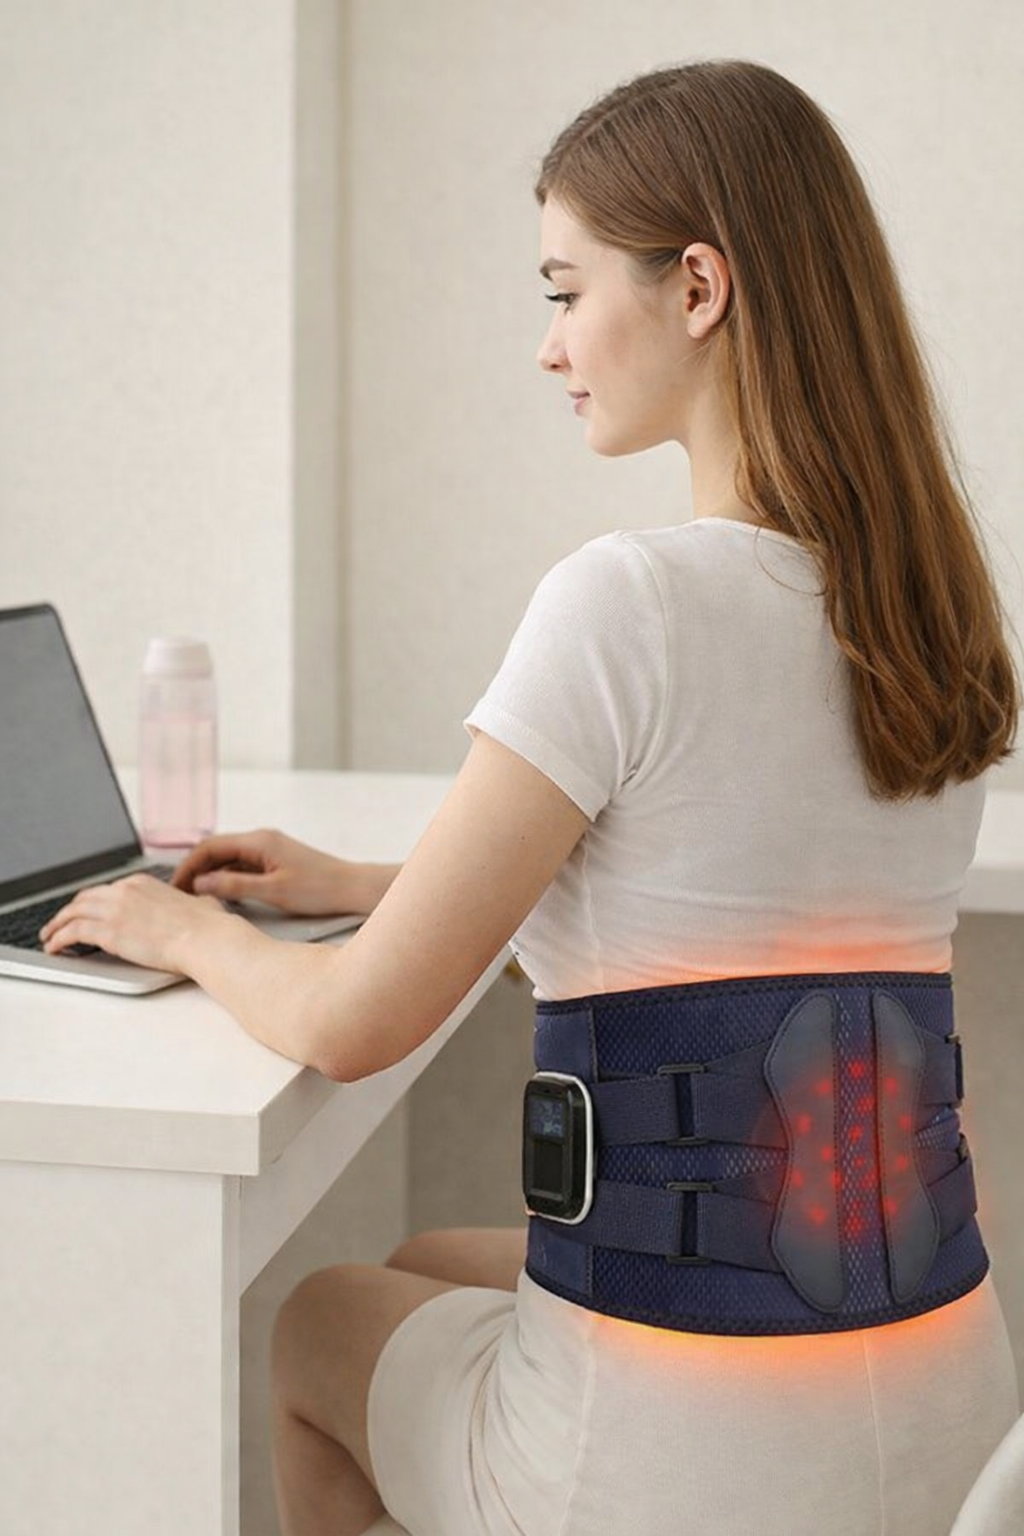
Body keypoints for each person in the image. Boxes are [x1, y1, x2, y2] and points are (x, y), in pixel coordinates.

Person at [39, 57, 1022, 1536]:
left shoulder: (630, 603)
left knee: (320, 1321)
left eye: (566, 291)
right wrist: (375, 887)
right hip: (943, 1412)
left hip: (687, 1466)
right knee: (429, 1263)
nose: (549, 344)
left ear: (699, 288)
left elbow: (351, 1025)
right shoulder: (920, 616)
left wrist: (180, 932)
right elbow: (700, 890)